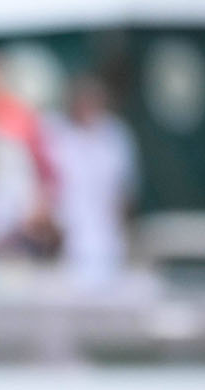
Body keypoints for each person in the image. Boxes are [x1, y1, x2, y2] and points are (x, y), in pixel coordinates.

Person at [43, 72, 139, 290]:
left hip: (109, 252)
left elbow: (125, 196)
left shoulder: (116, 137)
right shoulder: (55, 132)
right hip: (64, 254)